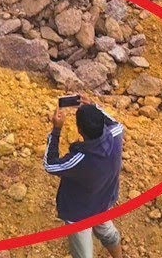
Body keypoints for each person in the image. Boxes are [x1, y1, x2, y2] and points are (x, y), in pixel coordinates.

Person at [44, 100, 125, 258]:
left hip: (79, 213)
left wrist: (56, 130)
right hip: (103, 202)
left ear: (80, 130)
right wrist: (94, 106)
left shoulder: (80, 159)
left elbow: (50, 165)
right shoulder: (116, 134)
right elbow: (113, 122)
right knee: (108, 234)